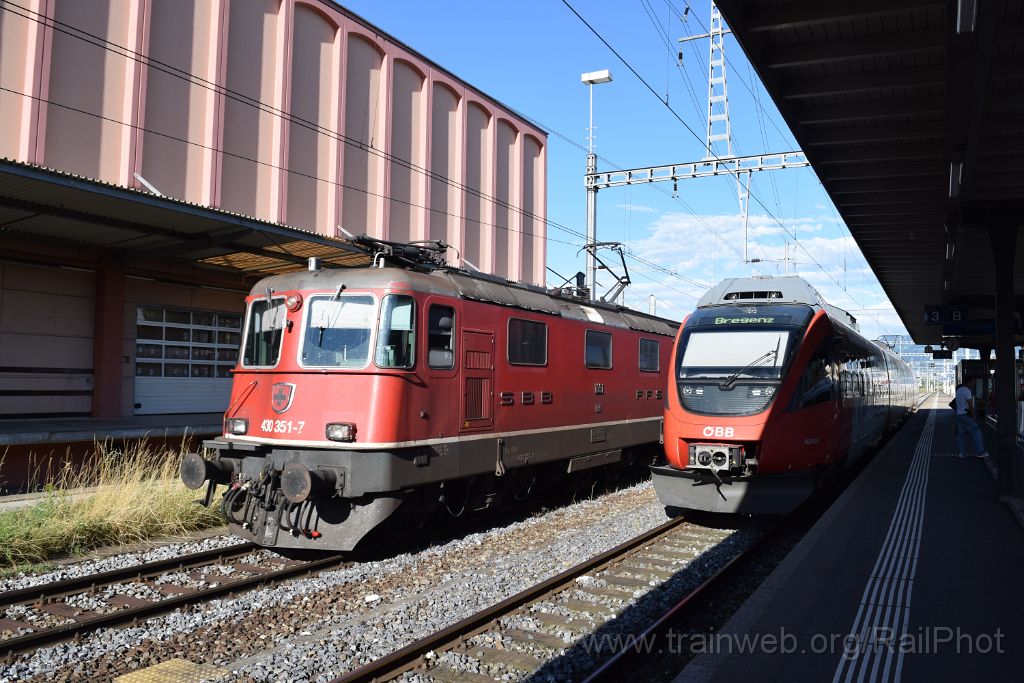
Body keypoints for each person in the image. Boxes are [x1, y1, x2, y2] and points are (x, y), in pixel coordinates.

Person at [954, 383, 989, 459]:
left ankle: (962, 453)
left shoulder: (958, 391)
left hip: (959, 415)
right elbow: (970, 405)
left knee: (961, 434)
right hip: (966, 415)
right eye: (972, 383)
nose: (972, 385)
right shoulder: (966, 391)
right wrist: (974, 416)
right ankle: (979, 452)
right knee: (976, 432)